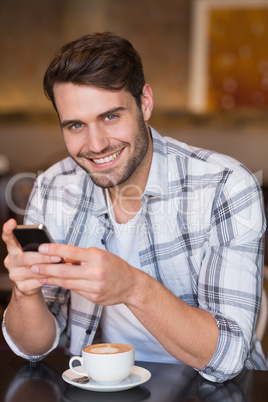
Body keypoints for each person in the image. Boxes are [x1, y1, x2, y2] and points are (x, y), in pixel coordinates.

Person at [1, 32, 267, 383]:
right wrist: (25, 291)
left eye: (110, 117)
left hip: (209, 387)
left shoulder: (226, 185)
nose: (95, 145)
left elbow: (228, 358)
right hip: (101, 384)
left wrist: (132, 288)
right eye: (76, 125)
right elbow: (34, 348)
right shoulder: (54, 186)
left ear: (145, 103)